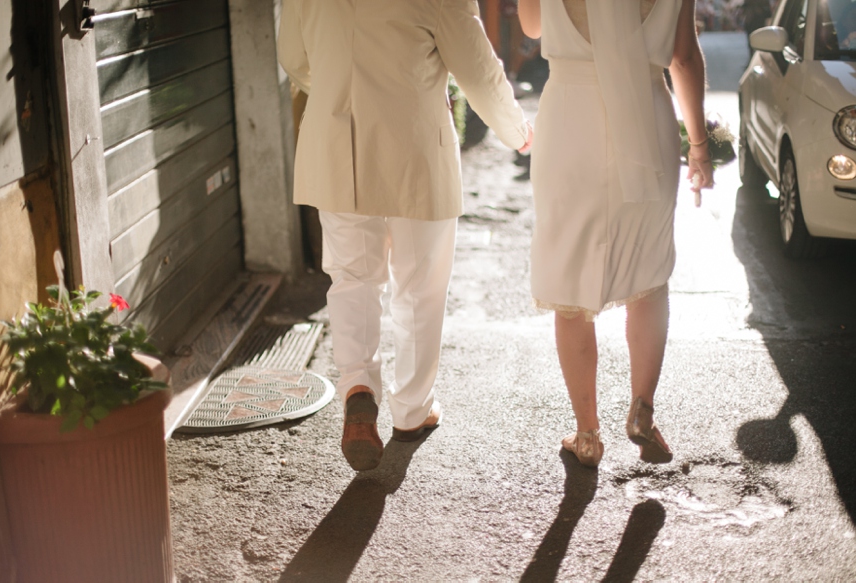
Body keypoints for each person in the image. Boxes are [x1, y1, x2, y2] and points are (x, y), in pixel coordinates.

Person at [278, 0, 533, 471]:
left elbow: (294, 59)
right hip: (413, 146)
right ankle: (412, 411)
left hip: (336, 144)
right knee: (419, 286)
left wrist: (341, 90)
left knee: (352, 277)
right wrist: (518, 131)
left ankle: (359, 389)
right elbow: (476, 67)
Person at [517, 0, 713, 467]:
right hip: (646, 117)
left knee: (570, 280)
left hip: (570, 123)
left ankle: (587, 435)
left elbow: (530, 24)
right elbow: (684, 58)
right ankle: (642, 411)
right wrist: (700, 145)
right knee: (648, 272)